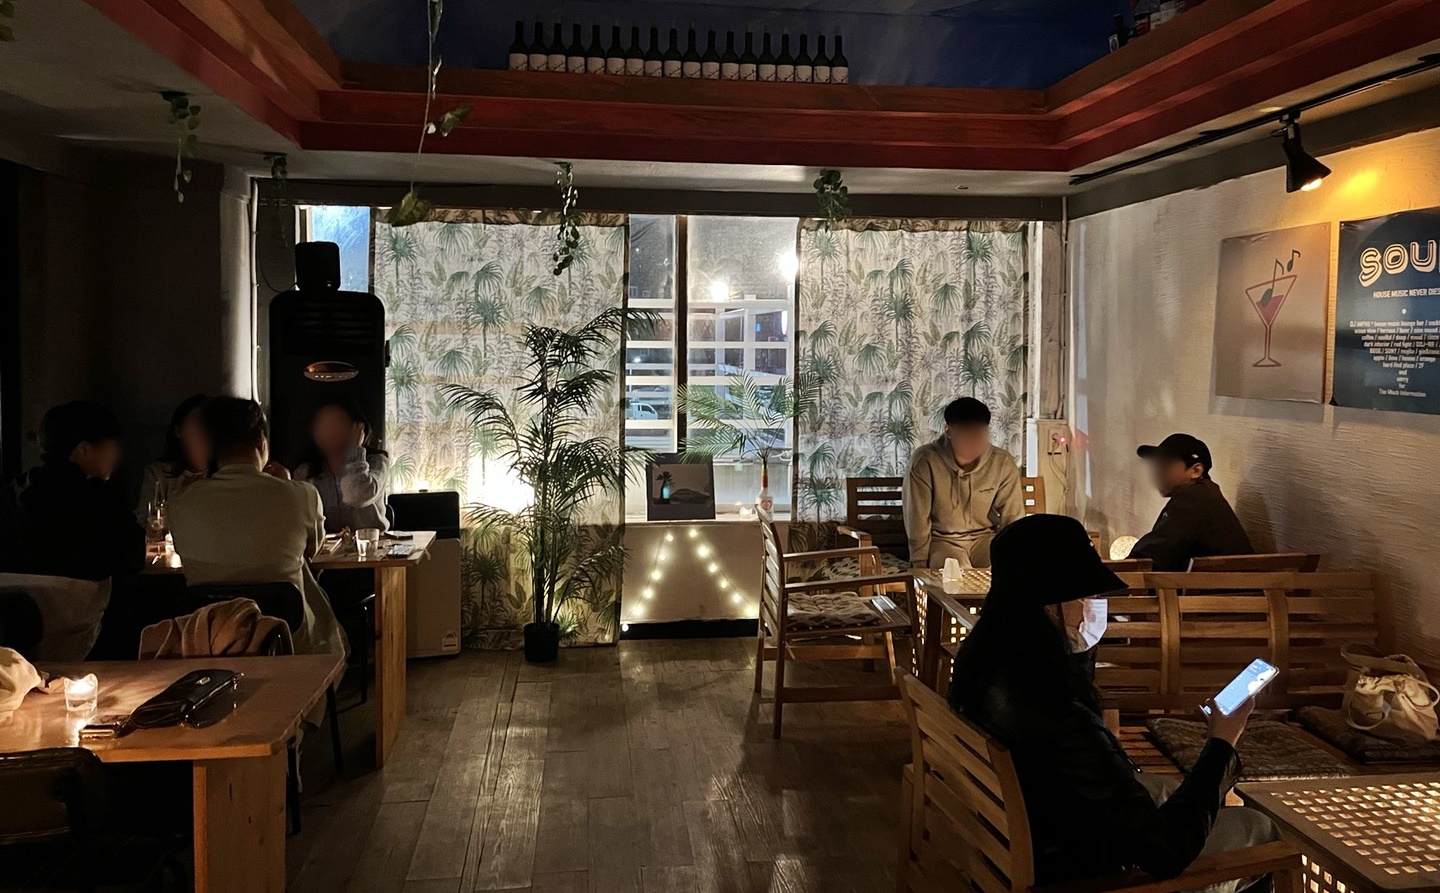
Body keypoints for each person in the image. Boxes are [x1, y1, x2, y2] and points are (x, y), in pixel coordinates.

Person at [949, 514, 1277, 893]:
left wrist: (1075, 649)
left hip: (1037, 833)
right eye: (1086, 595)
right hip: (1086, 869)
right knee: (1260, 827)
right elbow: (1165, 851)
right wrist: (1222, 742)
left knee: (1169, 789)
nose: (1093, 607)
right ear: (1048, 603)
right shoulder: (1057, 712)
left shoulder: (987, 661)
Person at [167, 397, 344, 657]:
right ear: (262, 443)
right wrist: (287, 486)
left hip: (210, 639)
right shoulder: (302, 495)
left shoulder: (179, 502)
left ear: (211, 449)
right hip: (290, 638)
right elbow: (313, 549)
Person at [0, 401, 144, 581]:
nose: (117, 455)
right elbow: (132, 557)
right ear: (84, 449)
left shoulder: (15, 490)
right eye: (112, 445)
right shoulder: (93, 497)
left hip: (20, 597)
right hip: (77, 598)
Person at [903, 397, 1025, 569]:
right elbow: (917, 517)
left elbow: (1012, 516)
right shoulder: (925, 461)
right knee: (955, 572)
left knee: (998, 569)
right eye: (966, 434)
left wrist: (1013, 554)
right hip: (943, 540)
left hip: (984, 538)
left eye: (979, 434)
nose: (973, 441)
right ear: (948, 431)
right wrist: (919, 560)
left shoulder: (1002, 462)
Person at [1128, 434, 1253, 572]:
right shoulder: (1202, 492)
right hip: (1224, 582)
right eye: (1157, 466)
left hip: (1226, 585)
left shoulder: (1194, 499)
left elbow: (1156, 550)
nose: (1157, 473)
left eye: (1165, 466)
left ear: (1196, 471)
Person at [293, 397, 390, 534]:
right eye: (322, 426)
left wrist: (355, 450)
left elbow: (356, 496)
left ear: (356, 427)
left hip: (370, 544)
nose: (328, 433)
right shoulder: (305, 471)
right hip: (325, 546)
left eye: (336, 425)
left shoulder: (376, 462)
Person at [135, 393, 209, 522]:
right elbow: (145, 520)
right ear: (178, 430)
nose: (204, 433)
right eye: (197, 425)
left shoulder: (225, 475)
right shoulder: (158, 475)